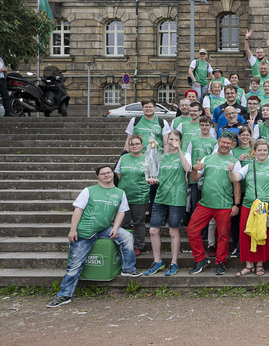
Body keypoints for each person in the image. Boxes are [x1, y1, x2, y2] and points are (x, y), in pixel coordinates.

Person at [47, 165, 142, 308]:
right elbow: (78, 210)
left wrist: (115, 228)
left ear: (113, 174)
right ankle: (64, 295)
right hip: (85, 231)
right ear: (98, 176)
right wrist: (73, 229)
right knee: (74, 265)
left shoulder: (119, 193)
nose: (106, 175)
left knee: (127, 236)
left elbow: (121, 212)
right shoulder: (88, 191)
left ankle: (128, 268)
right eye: (103, 174)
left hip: (104, 228)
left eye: (109, 172)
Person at [187, 132, 242, 275]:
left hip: (224, 205)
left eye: (228, 143)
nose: (225, 145)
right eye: (223, 142)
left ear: (232, 145)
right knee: (192, 230)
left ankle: (221, 262)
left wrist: (236, 204)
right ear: (218, 141)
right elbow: (194, 178)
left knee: (223, 236)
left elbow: (237, 184)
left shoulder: (234, 161)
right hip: (205, 203)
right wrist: (194, 169)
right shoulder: (207, 158)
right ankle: (200, 259)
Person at [144, 130, 191, 277]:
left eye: (175, 139)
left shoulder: (185, 155)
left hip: (176, 197)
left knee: (173, 231)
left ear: (180, 141)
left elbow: (187, 169)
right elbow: (159, 176)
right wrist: (153, 180)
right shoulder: (162, 157)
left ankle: (174, 262)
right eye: (170, 139)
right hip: (160, 196)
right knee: (153, 231)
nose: (172, 142)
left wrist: (179, 150)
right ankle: (157, 261)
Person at [234, 139, 269, 276]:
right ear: (254, 151)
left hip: (264, 205)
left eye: (265, 150)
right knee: (246, 234)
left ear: (268, 151)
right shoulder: (249, 166)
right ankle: (248, 265)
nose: (262, 152)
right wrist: (231, 171)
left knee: (260, 234)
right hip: (248, 205)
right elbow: (236, 178)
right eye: (259, 150)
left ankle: (260, 264)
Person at [114, 135, 148, 255]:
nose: (134, 146)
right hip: (124, 196)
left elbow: (152, 176)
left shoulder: (147, 159)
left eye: (137, 144)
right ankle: (125, 244)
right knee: (124, 223)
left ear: (142, 146)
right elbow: (118, 174)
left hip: (140, 196)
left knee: (139, 222)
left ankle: (139, 245)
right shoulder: (123, 158)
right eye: (132, 144)